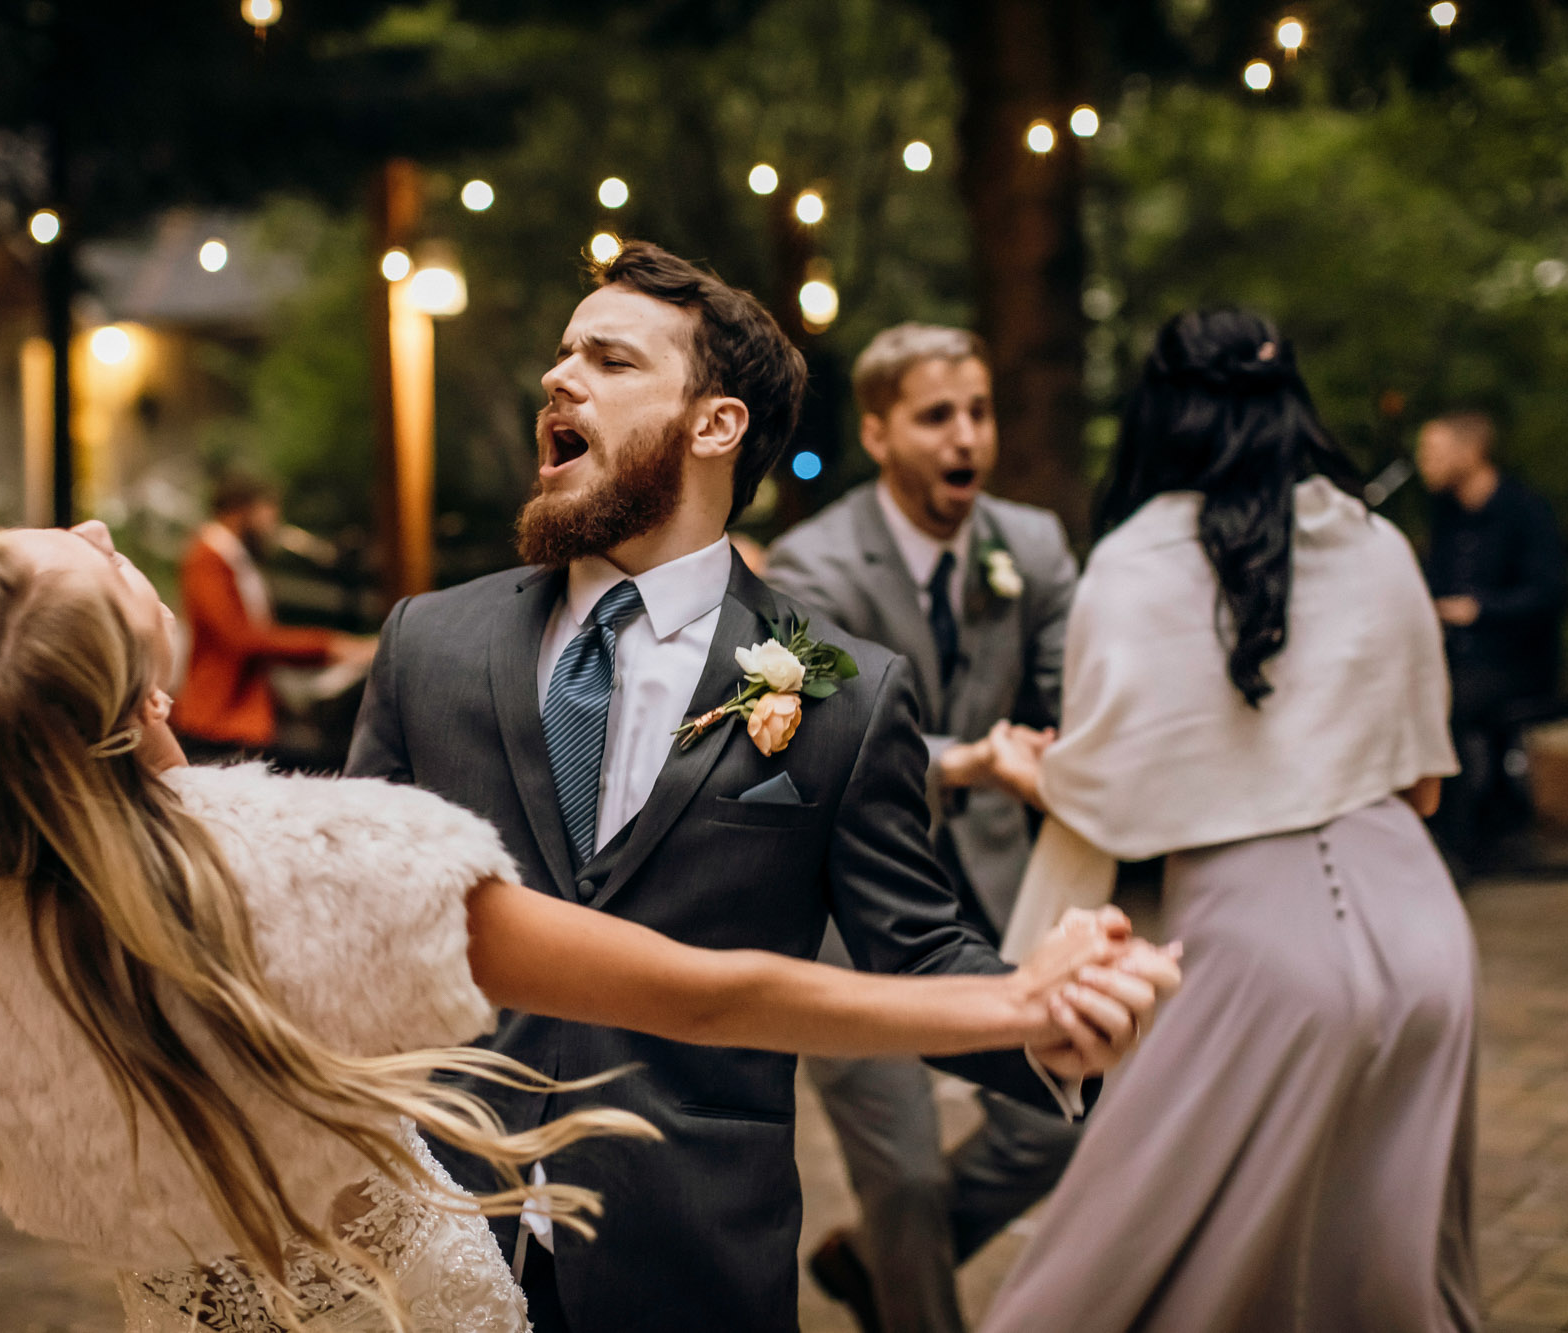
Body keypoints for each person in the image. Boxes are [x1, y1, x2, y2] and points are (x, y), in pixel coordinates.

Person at [0, 517, 1175, 1332]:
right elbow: (700, 993)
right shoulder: (312, 862)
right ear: (146, 690)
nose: (106, 526)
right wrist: (1015, 1001)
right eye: (90, 556)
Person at [344, 242, 1181, 1333]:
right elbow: (344, 913)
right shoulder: (428, 643)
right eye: (561, 355)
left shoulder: (845, 692)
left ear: (713, 426)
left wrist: (1047, 1026)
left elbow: (916, 949)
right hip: (433, 1242)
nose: (559, 378)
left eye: (606, 359)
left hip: (689, 1250)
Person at [978, 310, 1479, 1333]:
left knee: (1120, 1256)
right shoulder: (1376, 542)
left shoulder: (1130, 562)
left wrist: (1032, 771)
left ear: (1158, 411)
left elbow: (1114, 796)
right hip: (1429, 939)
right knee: (1380, 1266)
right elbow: (1425, 783)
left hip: (1258, 951)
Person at [764, 323, 1081, 1333]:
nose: (966, 437)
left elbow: (1068, 694)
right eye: (937, 415)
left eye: (978, 412)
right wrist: (969, 760)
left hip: (989, 893)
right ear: (878, 431)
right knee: (901, 1174)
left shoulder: (1028, 547)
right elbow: (823, 733)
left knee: (1057, 1128)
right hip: (842, 912)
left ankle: (876, 1270)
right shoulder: (813, 564)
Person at [1416, 410, 1568, 879]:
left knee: (1451, 704)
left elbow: (1549, 594)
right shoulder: (1446, 515)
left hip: (1518, 662)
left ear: (1471, 452)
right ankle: (1442, 833)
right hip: (1458, 658)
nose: (1424, 462)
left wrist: (1479, 609)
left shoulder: (1525, 510)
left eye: (1434, 451)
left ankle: (1459, 844)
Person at [172, 471, 374, 763]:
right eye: (267, 511)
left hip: (241, 716)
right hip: (220, 718)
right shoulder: (208, 558)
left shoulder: (233, 558)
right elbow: (239, 639)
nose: (273, 523)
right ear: (242, 511)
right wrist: (331, 646)